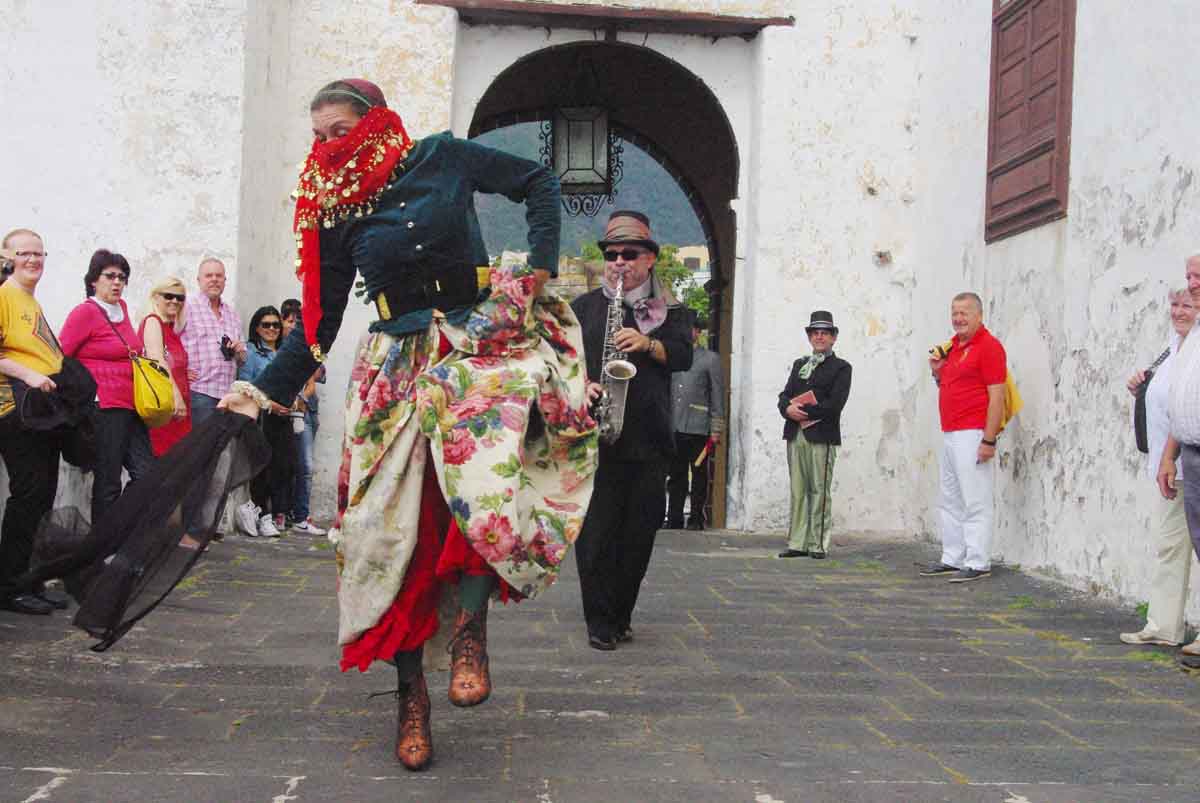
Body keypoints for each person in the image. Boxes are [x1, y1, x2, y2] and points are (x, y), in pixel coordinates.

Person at [216, 79, 596, 770]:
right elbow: (320, 323)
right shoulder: (335, 212)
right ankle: (410, 695)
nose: (329, 148)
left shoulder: (443, 157)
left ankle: (471, 631)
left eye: (340, 131)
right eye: (320, 137)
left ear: (376, 123)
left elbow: (539, 181)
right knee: (382, 534)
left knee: (482, 490)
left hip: (474, 348)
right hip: (394, 367)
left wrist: (540, 268)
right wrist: (259, 390)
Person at [570, 210, 693, 650]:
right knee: (596, 535)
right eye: (612, 254)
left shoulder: (671, 311)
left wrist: (648, 343)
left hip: (649, 438)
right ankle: (598, 621)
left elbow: (683, 356)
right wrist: (580, 384)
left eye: (629, 253)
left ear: (650, 259)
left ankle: (621, 614)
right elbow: (562, 363)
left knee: (639, 535)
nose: (618, 261)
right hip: (597, 439)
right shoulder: (583, 308)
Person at [1121, 288, 1198, 650]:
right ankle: (1164, 624)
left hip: (1187, 460)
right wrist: (1143, 386)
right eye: (1175, 304)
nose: (1180, 311)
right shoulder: (1172, 350)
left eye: (1188, 304)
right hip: (1173, 466)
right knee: (1170, 546)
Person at [59, 249, 156, 524]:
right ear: (93, 280)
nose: (117, 283)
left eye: (122, 277)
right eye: (110, 276)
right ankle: (101, 552)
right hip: (103, 407)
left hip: (131, 404)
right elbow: (61, 356)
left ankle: (116, 533)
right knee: (108, 481)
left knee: (147, 474)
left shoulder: (122, 310)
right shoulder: (85, 312)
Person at [0, 229, 67, 615]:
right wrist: (27, 375)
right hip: (13, 410)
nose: (33, 260)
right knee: (29, 495)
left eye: (39, 253)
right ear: (7, 256)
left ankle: (28, 580)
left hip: (41, 413)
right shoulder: (5, 294)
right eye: (24, 253)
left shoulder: (29, 299)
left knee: (42, 495)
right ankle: (9, 586)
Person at [919, 292, 1007, 583]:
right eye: (955, 312)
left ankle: (978, 560)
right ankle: (952, 556)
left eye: (964, 313)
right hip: (951, 430)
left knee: (975, 498)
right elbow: (950, 384)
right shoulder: (954, 347)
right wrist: (937, 373)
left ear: (979, 315)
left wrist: (989, 439)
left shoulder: (989, 347)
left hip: (973, 431)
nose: (958, 318)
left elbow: (998, 396)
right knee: (951, 497)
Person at [776, 311, 853, 559]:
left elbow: (834, 404)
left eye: (825, 333)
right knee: (798, 489)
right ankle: (797, 542)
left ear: (833, 338)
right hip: (796, 433)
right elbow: (784, 395)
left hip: (821, 435)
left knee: (819, 490)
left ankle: (817, 543)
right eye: (815, 333)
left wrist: (804, 411)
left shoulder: (841, 368)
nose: (819, 337)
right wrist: (787, 409)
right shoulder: (800, 365)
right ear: (810, 337)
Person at [1157, 254, 1200, 669]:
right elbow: (1179, 401)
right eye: (1188, 277)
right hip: (1190, 450)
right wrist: (1169, 456)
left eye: (1197, 278)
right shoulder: (1189, 338)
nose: (1192, 284)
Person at [233, 306, 295, 538]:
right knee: (263, 467)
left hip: (284, 416)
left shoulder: (285, 351)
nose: (271, 329)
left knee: (285, 466)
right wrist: (270, 404)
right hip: (262, 416)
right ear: (256, 327)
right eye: (266, 325)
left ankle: (273, 512)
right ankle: (262, 515)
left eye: (275, 325)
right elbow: (247, 385)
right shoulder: (250, 352)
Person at [666, 312, 724, 531]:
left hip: (699, 426)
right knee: (676, 474)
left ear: (698, 331)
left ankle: (697, 518)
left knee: (699, 474)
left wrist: (716, 428)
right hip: (674, 424)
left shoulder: (710, 359)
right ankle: (674, 517)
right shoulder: (671, 356)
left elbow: (717, 394)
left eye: (690, 328)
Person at [180, 258, 245, 425]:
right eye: (209, 275)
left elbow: (243, 360)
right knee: (200, 448)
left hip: (226, 395)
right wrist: (177, 371)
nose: (214, 279)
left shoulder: (233, 315)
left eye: (219, 275)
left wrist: (239, 352)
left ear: (225, 280)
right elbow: (165, 340)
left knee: (218, 450)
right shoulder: (186, 307)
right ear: (199, 280)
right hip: (198, 392)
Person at [281, 298, 326, 535]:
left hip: (306, 410)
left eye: (298, 321)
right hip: (283, 411)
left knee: (305, 465)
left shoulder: (310, 345)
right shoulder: (278, 347)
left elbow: (317, 377)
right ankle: (288, 512)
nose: (293, 326)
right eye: (289, 321)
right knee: (286, 464)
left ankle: (301, 514)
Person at [137, 277, 191, 456]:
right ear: (156, 297)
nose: (175, 301)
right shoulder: (153, 321)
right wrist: (176, 396)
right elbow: (157, 361)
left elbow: (171, 361)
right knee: (162, 467)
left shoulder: (171, 329)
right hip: (166, 407)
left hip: (177, 409)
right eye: (169, 296)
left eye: (180, 298)